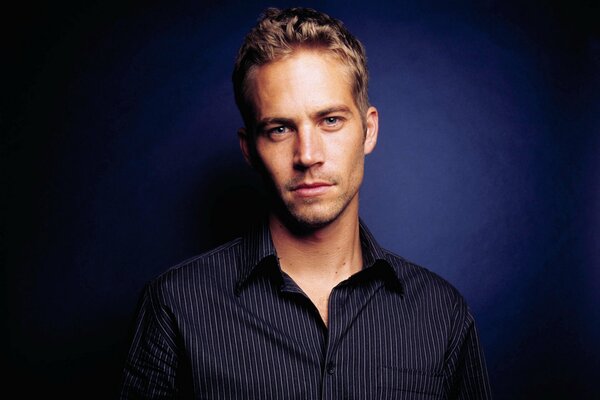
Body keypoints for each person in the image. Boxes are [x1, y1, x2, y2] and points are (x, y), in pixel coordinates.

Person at [119, 7, 492, 399]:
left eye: (330, 120)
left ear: (369, 131)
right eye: (279, 129)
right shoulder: (176, 306)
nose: (308, 154)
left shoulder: (441, 314)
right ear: (249, 150)